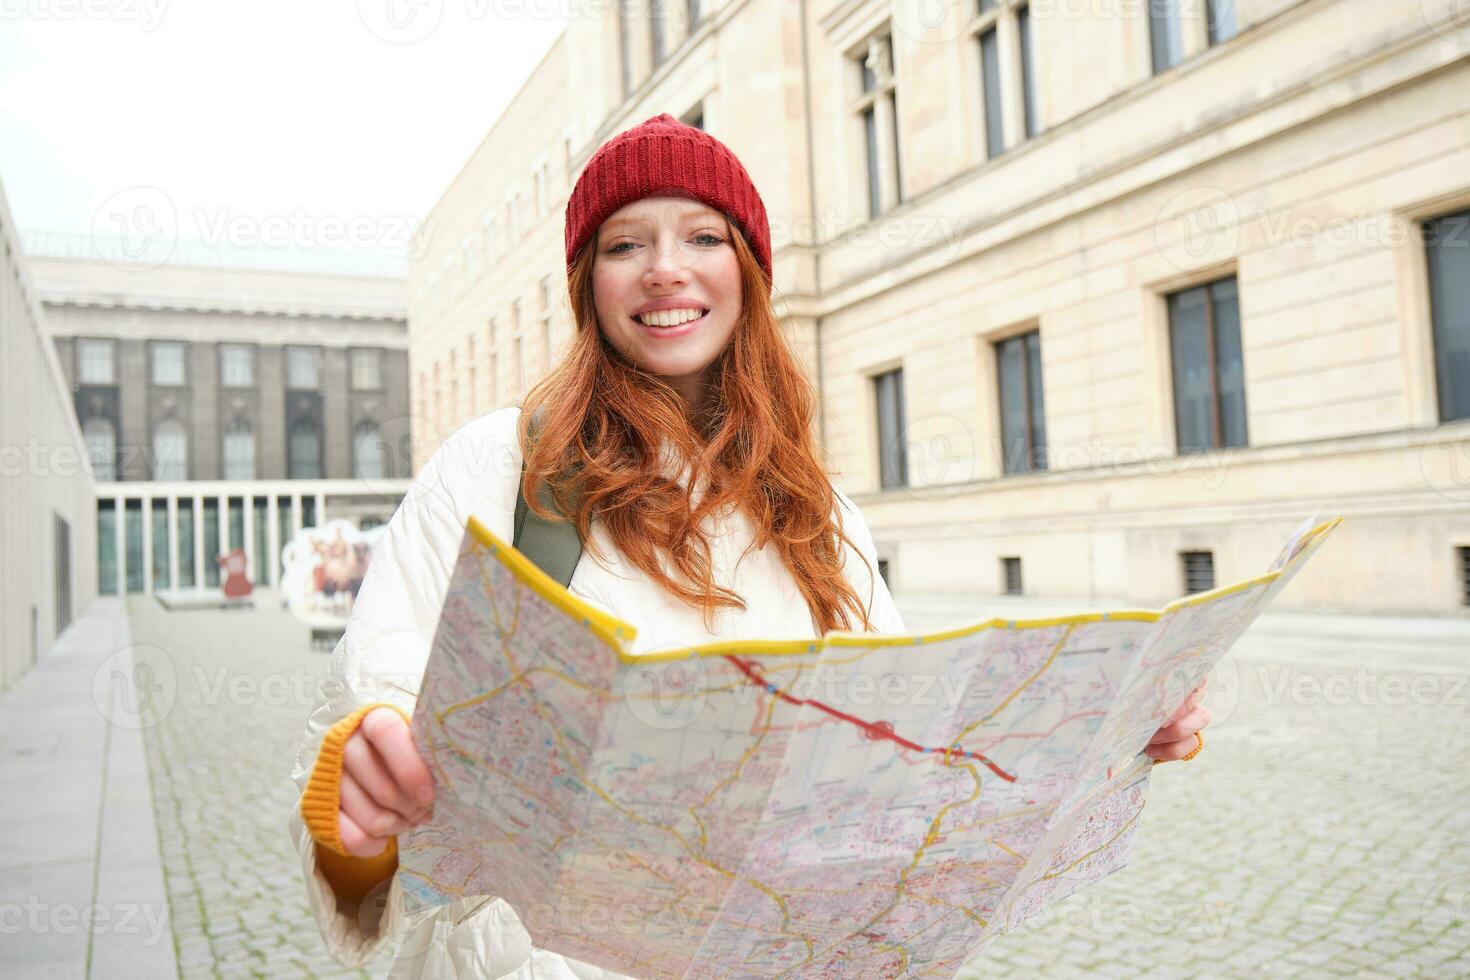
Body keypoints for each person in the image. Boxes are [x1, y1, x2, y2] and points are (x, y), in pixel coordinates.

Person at [287, 113, 1211, 978]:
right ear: (587, 284)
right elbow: (376, 717)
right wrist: (358, 806)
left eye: (702, 237)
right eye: (623, 244)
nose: (663, 269)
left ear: (750, 272)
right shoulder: (497, 469)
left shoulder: (822, 511)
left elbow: (905, 763)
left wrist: (1114, 732)